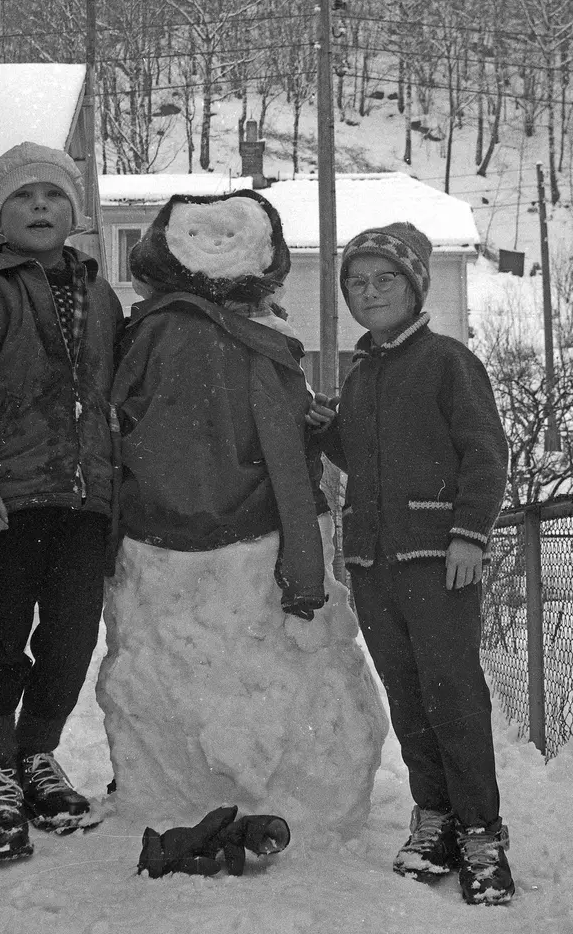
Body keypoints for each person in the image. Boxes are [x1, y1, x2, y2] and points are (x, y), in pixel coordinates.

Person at [97, 189, 388, 837]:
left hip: (250, 547)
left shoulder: (265, 343)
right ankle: (175, 800)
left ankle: (298, 806)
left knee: (274, 681)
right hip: (168, 547)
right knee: (180, 675)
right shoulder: (151, 336)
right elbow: (114, 431)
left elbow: (287, 451)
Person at [0, 141, 123, 863]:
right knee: (0, 637)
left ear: (74, 214)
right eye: (22, 198)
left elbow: (120, 395)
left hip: (85, 502)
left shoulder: (101, 297)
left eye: (52, 197)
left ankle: (36, 754)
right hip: (8, 497)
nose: (39, 208)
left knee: (70, 641)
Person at [309, 221, 515, 904]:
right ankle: (436, 819)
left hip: (437, 558)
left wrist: (468, 534)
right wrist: (319, 424)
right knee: (408, 697)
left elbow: (485, 453)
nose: (369, 293)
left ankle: (482, 833)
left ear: (415, 285)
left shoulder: (447, 361)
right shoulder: (361, 372)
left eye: (383, 279)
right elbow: (358, 457)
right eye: (356, 283)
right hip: (370, 561)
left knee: (452, 692)